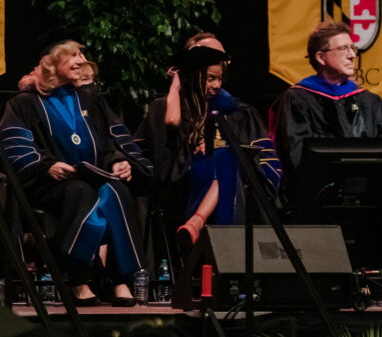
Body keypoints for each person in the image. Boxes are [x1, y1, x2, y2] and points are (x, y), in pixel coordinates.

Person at [0, 39, 152, 306]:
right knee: (80, 191)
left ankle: (120, 279)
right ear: (51, 63)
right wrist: (47, 165)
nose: (81, 60)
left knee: (115, 190)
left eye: (81, 54)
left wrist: (118, 161)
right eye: (72, 55)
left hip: (93, 176)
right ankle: (78, 278)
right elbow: (16, 147)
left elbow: (110, 142)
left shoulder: (91, 100)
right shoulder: (24, 103)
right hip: (46, 183)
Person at [138, 33, 283, 250]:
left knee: (227, 163)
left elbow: (265, 159)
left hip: (235, 186)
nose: (216, 84)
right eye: (210, 77)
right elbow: (160, 162)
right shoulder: (166, 107)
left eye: (220, 74)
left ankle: (198, 225)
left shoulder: (239, 111)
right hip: (184, 186)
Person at [272, 21, 382, 195]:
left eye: (352, 48)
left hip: (367, 199)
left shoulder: (370, 101)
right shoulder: (298, 99)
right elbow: (296, 157)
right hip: (318, 198)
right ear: (320, 57)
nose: (352, 56)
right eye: (342, 49)